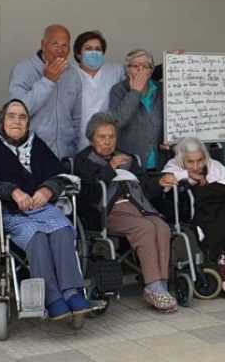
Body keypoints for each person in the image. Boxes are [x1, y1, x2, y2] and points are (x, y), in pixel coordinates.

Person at [0, 100, 95, 320]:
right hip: (8, 211)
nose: (17, 121)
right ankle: (52, 298)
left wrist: (48, 189)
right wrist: (11, 190)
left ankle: (72, 291)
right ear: (2, 120)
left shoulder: (36, 144)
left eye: (22, 117)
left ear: (28, 123)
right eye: (11, 116)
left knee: (62, 229)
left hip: (40, 207)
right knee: (38, 237)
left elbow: (58, 174)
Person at [73, 112, 179, 313]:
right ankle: (154, 285)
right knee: (145, 228)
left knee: (161, 227)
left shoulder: (127, 158)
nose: (107, 142)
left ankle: (160, 285)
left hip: (140, 207)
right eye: (102, 137)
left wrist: (159, 182)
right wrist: (110, 168)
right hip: (109, 212)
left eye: (111, 137)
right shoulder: (84, 160)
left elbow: (146, 187)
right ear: (91, 139)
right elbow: (89, 194)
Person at [163, 138, 225, 303]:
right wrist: (187, 175)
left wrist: (212, 186)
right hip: (202, 212)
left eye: (200, 160)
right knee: (220, 230)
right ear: (182, 159)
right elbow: (165, 183)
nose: (196, 166)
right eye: (190, 162)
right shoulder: (173, 166)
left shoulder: (214, 165)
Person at [9, 25, 81, 160]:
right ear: (43, 44)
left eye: (65, 45)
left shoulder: (72, 75)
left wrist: (74, 149)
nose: (60, 50)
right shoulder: (23, 70)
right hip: (32, 155)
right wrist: (47, 81)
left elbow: (76, 118)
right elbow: (17, 112)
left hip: (65, 156)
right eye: (55, 44)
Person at [109, 49, 164, 169]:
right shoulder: (118, 90)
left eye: (145, 66)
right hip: (130, 163)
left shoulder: (162, 90)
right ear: (127, 70)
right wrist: (135, 92)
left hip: (160, 163)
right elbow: (118, 122)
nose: (140, 70)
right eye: (135, 66)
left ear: (151, 71)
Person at [71, 31, 125, 151]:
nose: (94, 52)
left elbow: (141, 73)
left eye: (98, 49)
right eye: (88, 49)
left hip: (107, 141)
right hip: (79, 141)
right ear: (78, 54)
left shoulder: (115, 71)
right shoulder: (69, 74)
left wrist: (171, 62)